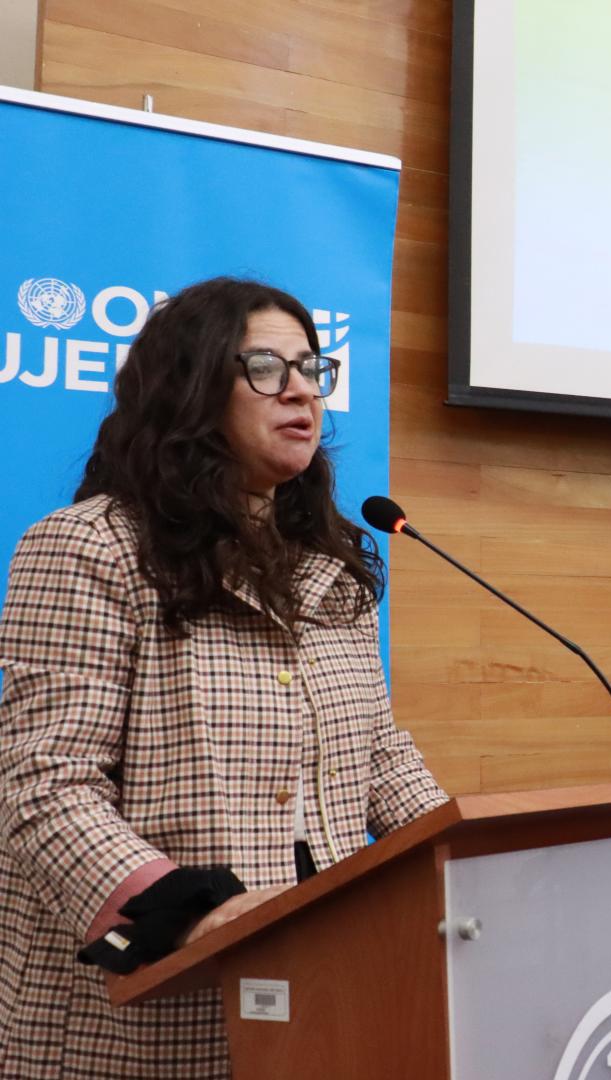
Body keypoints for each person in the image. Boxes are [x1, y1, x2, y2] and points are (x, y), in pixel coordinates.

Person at [0, 277, 449, 1078]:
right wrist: (194, 913)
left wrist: (474, 860)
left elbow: (377, 758)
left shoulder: (327, 569)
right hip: (145, 1012)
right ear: (192, 387)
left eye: (312, 369)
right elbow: (43, 783)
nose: (302, 391)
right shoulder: (88, 548)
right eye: (268, 368)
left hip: (320, 987)